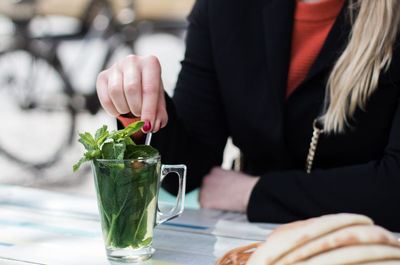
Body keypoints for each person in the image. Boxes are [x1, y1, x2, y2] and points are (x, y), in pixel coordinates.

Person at [96, 0, 400, 231]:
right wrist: (138, 110)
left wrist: (252, 192)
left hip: (368, 247)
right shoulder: (226, 8)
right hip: (251, 245)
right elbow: (186, 172)